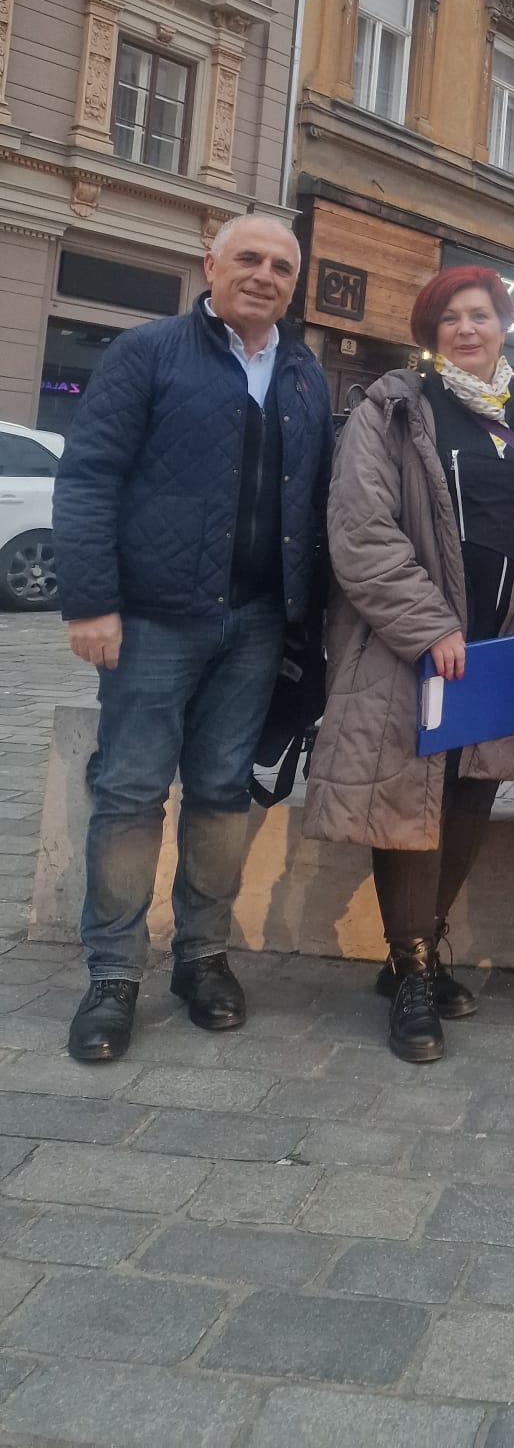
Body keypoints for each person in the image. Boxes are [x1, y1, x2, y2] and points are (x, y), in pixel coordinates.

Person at [54, 216, 333, 1064]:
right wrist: (90, 601)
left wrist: (307, 616)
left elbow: (315, 499)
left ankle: (202, 957)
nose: (264, 274)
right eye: (248, 258)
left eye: (281, 265)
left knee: (220, 794)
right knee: (131, 793)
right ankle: (113, 975)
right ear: (209, 263)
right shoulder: (148, 352)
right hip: (151, 618)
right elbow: (89, 475)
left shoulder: (303, 373)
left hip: (256, 623)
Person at [302, 267, 514, 1063]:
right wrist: (427, 626)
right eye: (451, 318)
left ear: (503, 324)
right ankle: (415, 975)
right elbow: (361, 527)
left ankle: (411, 957)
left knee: (469, 796)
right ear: (430, 333)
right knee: (408, 801)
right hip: (410, 646)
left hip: (503, 645)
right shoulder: (394, 407)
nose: (467, 328)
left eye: (481, 315)